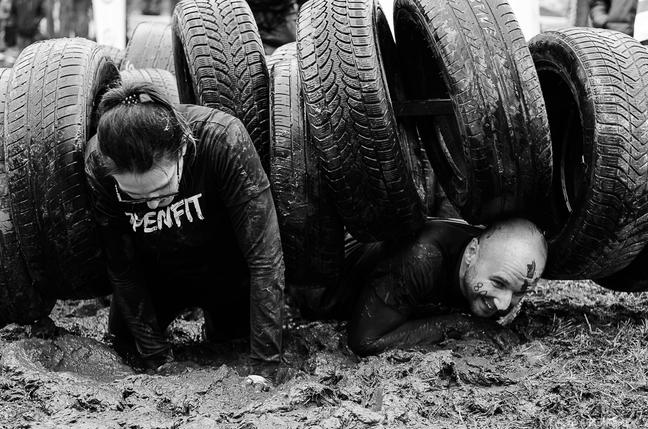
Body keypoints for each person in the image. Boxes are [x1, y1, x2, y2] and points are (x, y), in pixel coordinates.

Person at [84, 82, 285, 371]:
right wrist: (158, 359)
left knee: (234, 340)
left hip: (224, 271)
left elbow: (266, 258)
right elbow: (122, 267)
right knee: (124, 348)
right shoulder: (98, 163)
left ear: (182, 148)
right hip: (159, 276)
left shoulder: (222, 139)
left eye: (161, 190)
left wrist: (266, 366)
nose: (152, 205)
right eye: (134, 196)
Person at [294, 218, 547, 357]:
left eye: (518, 292)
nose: (504, 304)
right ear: (471, 251)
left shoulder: (494, 258)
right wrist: (460, 324)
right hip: (320, 292)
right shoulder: (421, 258)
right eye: (499, 283)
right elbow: (365, 341)